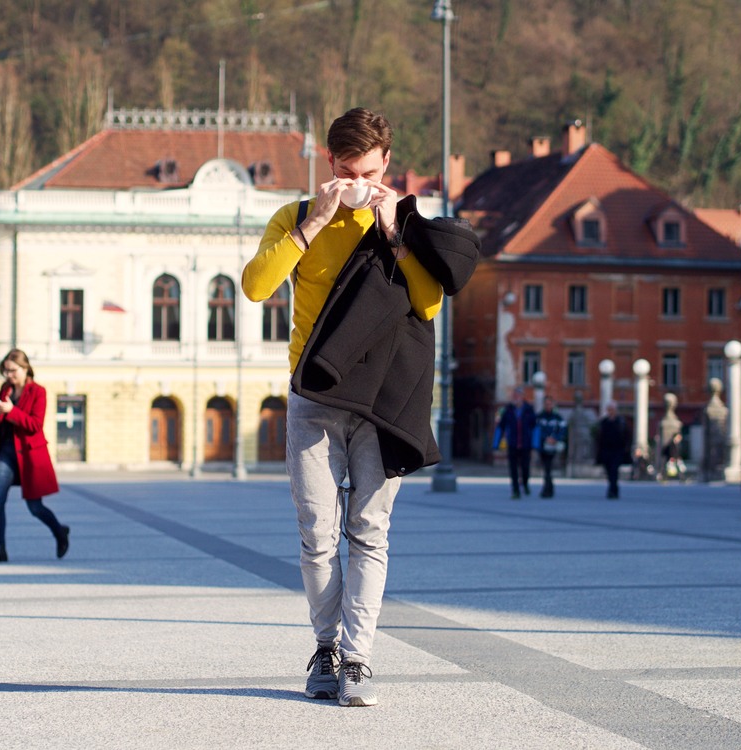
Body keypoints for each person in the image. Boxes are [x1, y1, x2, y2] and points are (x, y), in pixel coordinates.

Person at [241, 107, 478, 707]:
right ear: (328, 165)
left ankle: (358, 659)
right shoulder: (296, 217)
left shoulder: (404, 222)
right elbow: (255, 286)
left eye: (369, 172)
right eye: (347, 172)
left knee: (369, 532)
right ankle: (325, 646)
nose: (359, 184)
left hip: (382, 399)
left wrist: (395, 233)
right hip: (313, 395)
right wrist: (317, 220)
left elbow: (428, 304)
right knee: (318, 535)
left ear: (387, 164)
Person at [0, 349, 68, 563]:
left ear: (25, 369)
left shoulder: (38, 392)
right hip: (6, 452)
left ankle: (59, 532)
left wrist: (11, 411)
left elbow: (35, 424)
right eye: (5, 371)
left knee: (35, 507)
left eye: (13, 371)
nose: (9, 375)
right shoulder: (6, 388)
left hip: (29, 455)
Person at [493, 387, 537, 499]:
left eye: (518, 395)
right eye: (515, 396)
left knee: (525, 467)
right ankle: (515, 490)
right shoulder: (508, 410)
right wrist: (496, 443)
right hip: (512, 443)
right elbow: (501, 426)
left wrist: (535, 443)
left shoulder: (528, 409)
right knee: (513, 468)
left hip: (525, 444)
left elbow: (535, 426)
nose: (516, 398)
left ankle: (525, 483)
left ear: (522, 396)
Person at [533, 396, 566, 498]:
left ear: (553, 405)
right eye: (546, 404)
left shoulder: (558, 418)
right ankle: (548, 488)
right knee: (546, 467)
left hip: (553, 446)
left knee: (548, 467)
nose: (548, 406)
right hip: (543, 446)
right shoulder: (539, 417)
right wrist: (545, 438)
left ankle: (547, 489)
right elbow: (537, 430)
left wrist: (555, 438)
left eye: (549, 404)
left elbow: (563, 430)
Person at [596, 401, 630, 499]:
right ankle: (612, 487)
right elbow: (599, 437)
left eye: (612, 410)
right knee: (608, 470)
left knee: (614, 469)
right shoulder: (604, 422)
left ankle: (613, 489)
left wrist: (626, 448)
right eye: (609, 410)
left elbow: (627, 436)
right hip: (606, 450)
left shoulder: (621, 422)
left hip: (618, 450)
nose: (610, 412)